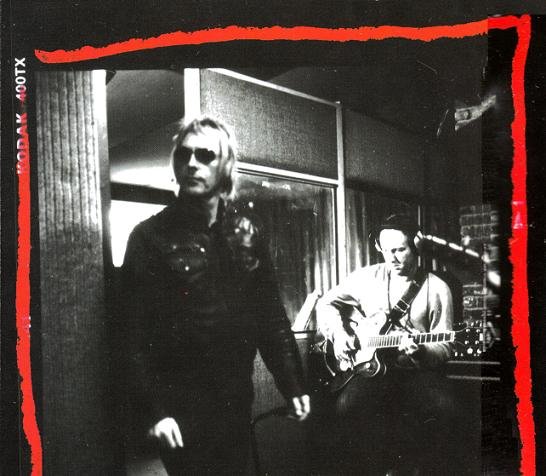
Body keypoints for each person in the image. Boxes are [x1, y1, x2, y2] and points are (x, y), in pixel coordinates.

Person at [121, 115, 310, 475]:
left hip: (235, 402)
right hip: (180, 410)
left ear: (226, 166)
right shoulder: (148, 237)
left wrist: (293, 384)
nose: (192, 163)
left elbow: (270, 317)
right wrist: (154, 412)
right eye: (184, 154)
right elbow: (131, 334)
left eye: (205, 155)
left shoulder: (247, 232)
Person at [316, 214, 455, 476]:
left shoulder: (438, 288)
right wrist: (339, 334)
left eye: (400, 250)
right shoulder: (366, 278)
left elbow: (445, 344)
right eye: (386, 250)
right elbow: (326, 303)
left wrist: (421, 351)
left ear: (416, 248)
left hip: (415, 371)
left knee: (444, 408)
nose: (392, 258)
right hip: (371, 369)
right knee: (347, 407)